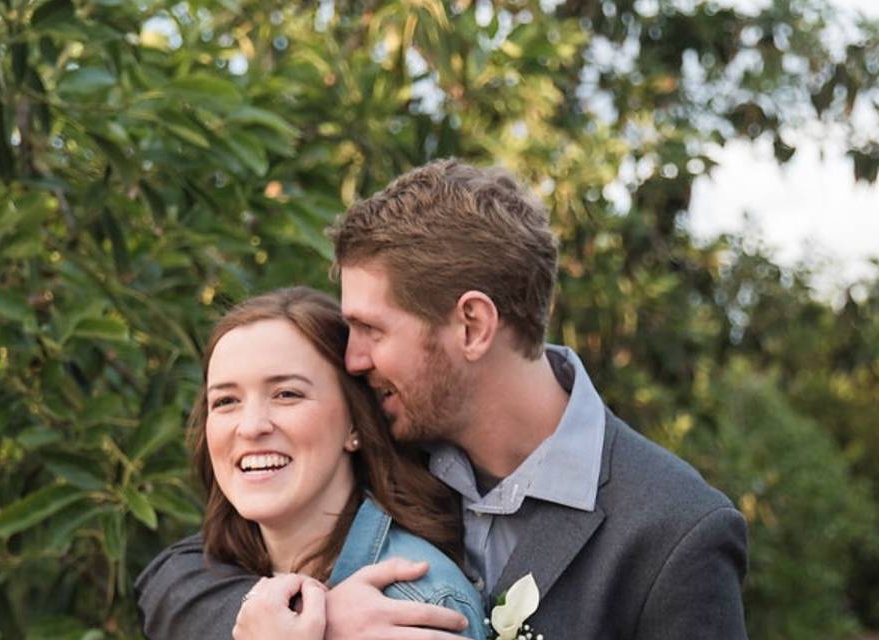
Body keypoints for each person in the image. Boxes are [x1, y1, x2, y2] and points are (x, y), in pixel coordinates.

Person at [136, 159, 749, 639]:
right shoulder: (391, 429)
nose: (353, 360)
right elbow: (177, 573)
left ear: (472, 327)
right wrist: (309, 620)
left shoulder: (675, 532)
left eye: (372, 330)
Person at [135, 287, 487, 640]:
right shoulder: (217, 572)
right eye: (226, 401)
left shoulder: (415, 607)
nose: (252, 426)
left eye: (287, 394)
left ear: (354, 424)